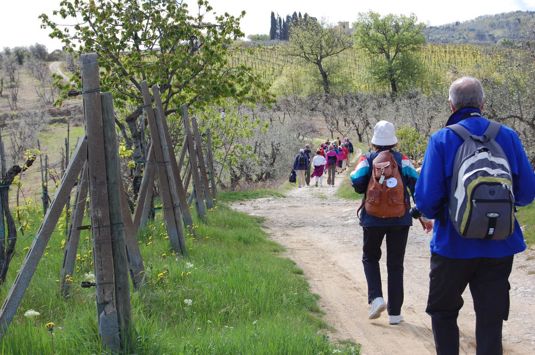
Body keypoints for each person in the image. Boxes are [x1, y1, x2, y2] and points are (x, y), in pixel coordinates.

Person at [414, 76, 535, 354]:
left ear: (451, 105)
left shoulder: (442, 139)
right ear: (482, 103)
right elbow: (528, 193)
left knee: (444, 314)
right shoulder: (508, 136)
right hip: (499, 246)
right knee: (491, 320)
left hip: (452, 246)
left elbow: (427, 202)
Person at [350, 120, 433, 325]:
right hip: (399, 219)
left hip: (372, 218)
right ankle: (395, 314)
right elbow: (417, 186)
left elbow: (358, 183)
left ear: (374, 141)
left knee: (370, 257)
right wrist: (420, 214)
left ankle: (376, 298)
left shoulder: (368, 158)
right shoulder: (402, 160)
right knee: (396, 265)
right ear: (394, 141)